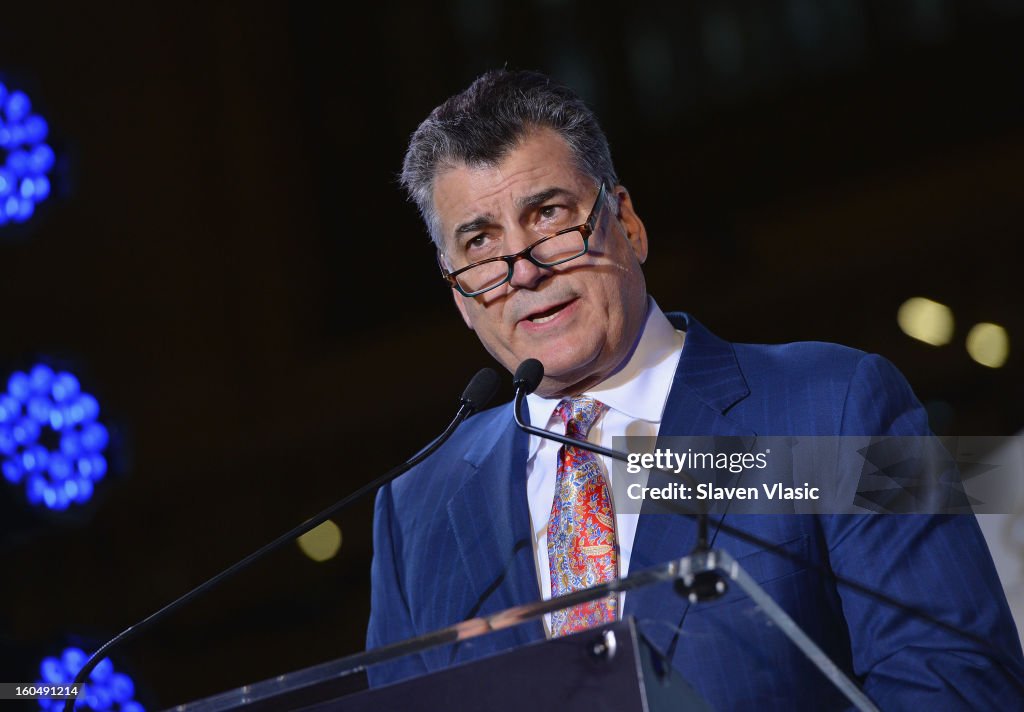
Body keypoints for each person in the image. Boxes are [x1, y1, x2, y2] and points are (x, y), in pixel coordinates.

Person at [366, 69, 1024, 709]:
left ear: (626, 223)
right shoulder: (415, 509)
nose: (524, 270)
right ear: (458, 294)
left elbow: (962, 687)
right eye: (480, 244)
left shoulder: (837, 405)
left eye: (547, 216)